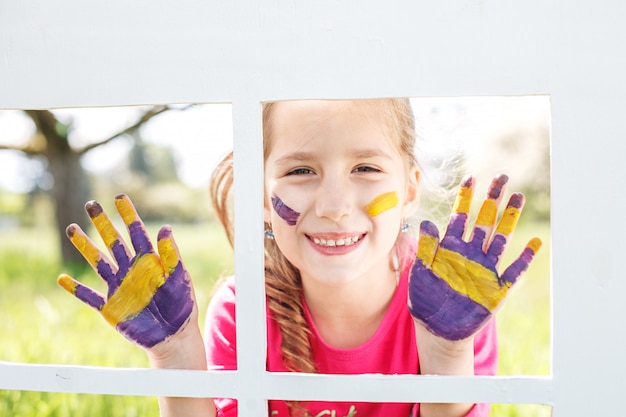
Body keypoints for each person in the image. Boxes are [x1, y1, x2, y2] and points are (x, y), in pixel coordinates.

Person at [58, 98, 542, 417]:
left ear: (410, 187)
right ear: (263, 198)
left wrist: (449, 353)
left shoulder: (452, 303)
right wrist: (175, 355)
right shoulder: (245, 310)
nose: (334, 206)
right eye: (302, 169)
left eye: (366, 168)